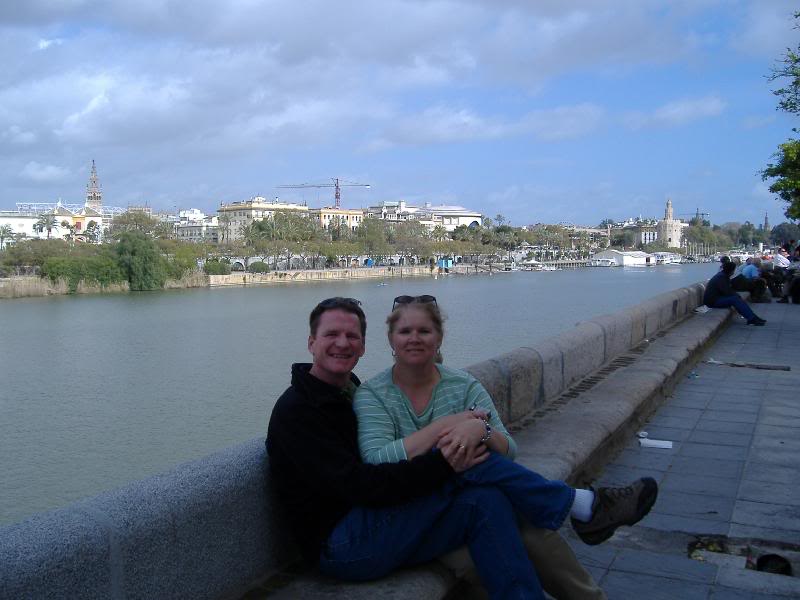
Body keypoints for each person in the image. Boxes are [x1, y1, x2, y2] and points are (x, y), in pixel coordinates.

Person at [267, 297, 658, 600]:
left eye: (351, 336)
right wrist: (450, 451)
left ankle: (574, 522)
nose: (342, 343)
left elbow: (503, 445)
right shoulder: (300, 411)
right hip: (341, 544)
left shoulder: (345, 392)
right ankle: (582, 506)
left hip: (381, 518)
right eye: (331, 335)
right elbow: (364, 484)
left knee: (489, 503)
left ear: (366, 346)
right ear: (311, 342)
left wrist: (473, 434)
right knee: (470, 469)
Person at [704, 260, 766, 325]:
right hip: (712, 302)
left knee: (737, 298)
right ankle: (752, 319)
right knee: (735, 300)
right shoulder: (721, 277)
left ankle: (753, 317)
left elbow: (727, 290)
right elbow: (727, 292)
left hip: (716, 298)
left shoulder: (723, 275)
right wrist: (736, 296)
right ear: (731, 271)